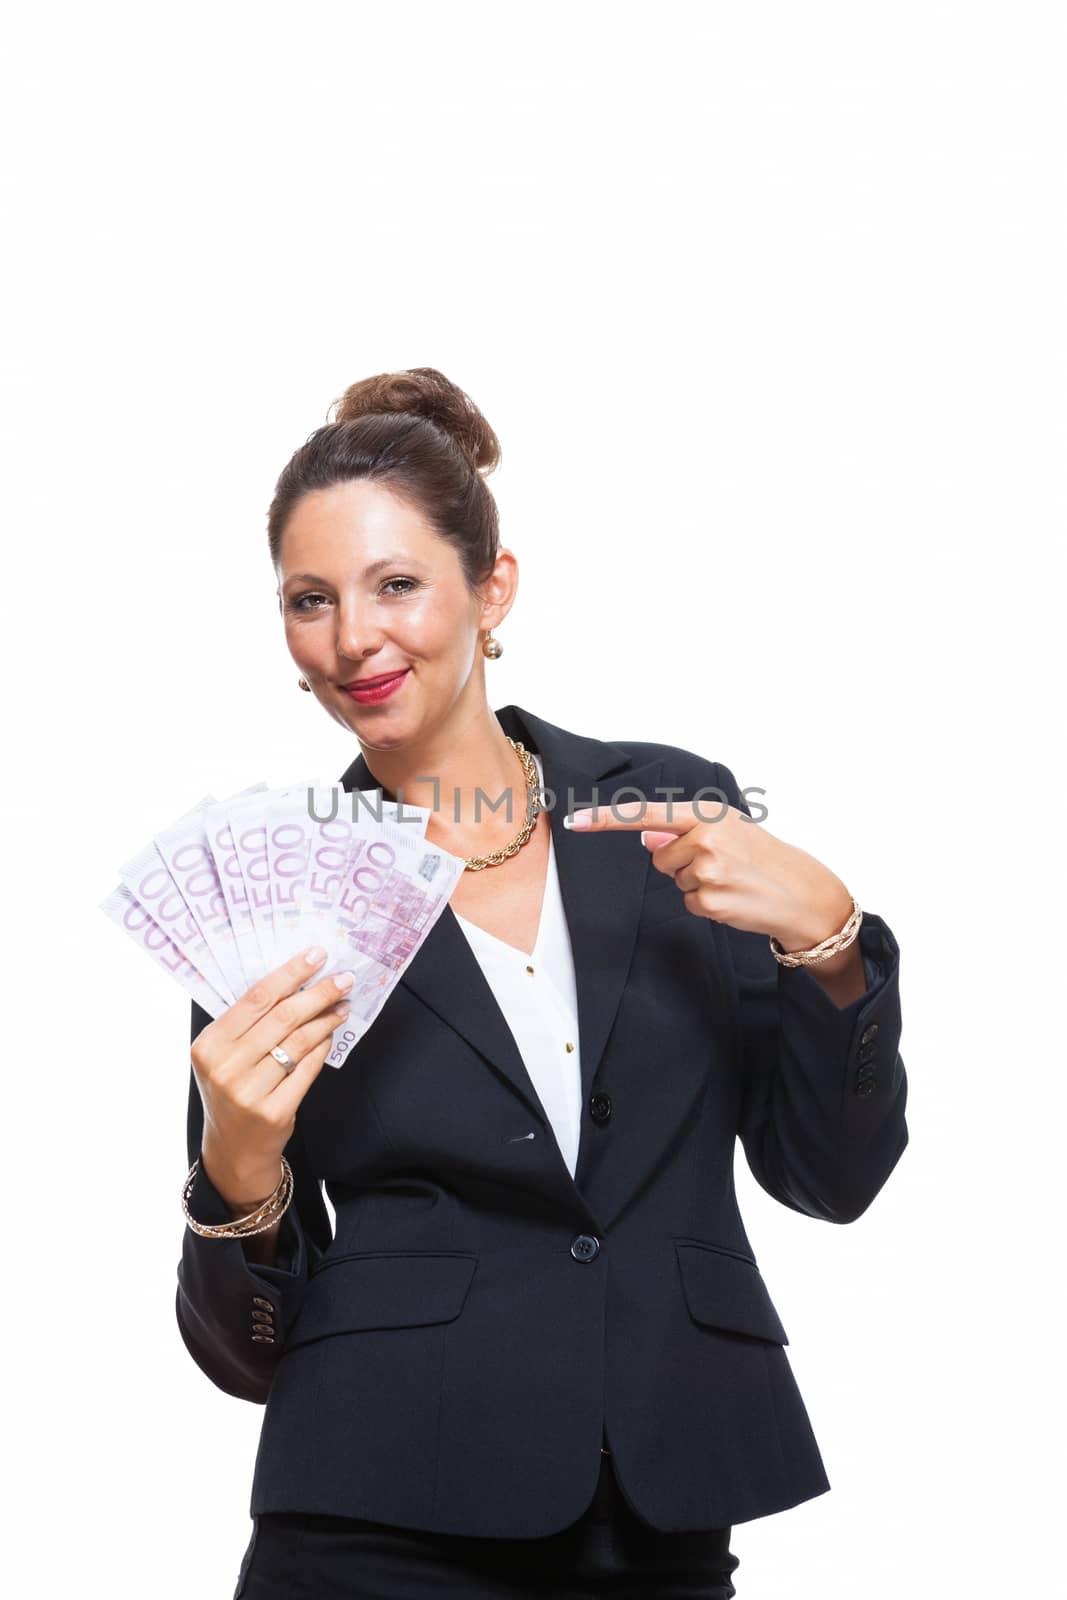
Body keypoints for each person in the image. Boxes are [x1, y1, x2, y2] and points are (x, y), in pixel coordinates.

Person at [177, 367, 909, 1599]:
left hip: (657, 1514)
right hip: (370, 1518)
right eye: (311, 599)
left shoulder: (672, 809)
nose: (353, 637)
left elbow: (829, 1178)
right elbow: (246, 1355)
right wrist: (236, 1168)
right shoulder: (272, 890)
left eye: (396, 582)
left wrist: (829, 945)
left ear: (491, 588)